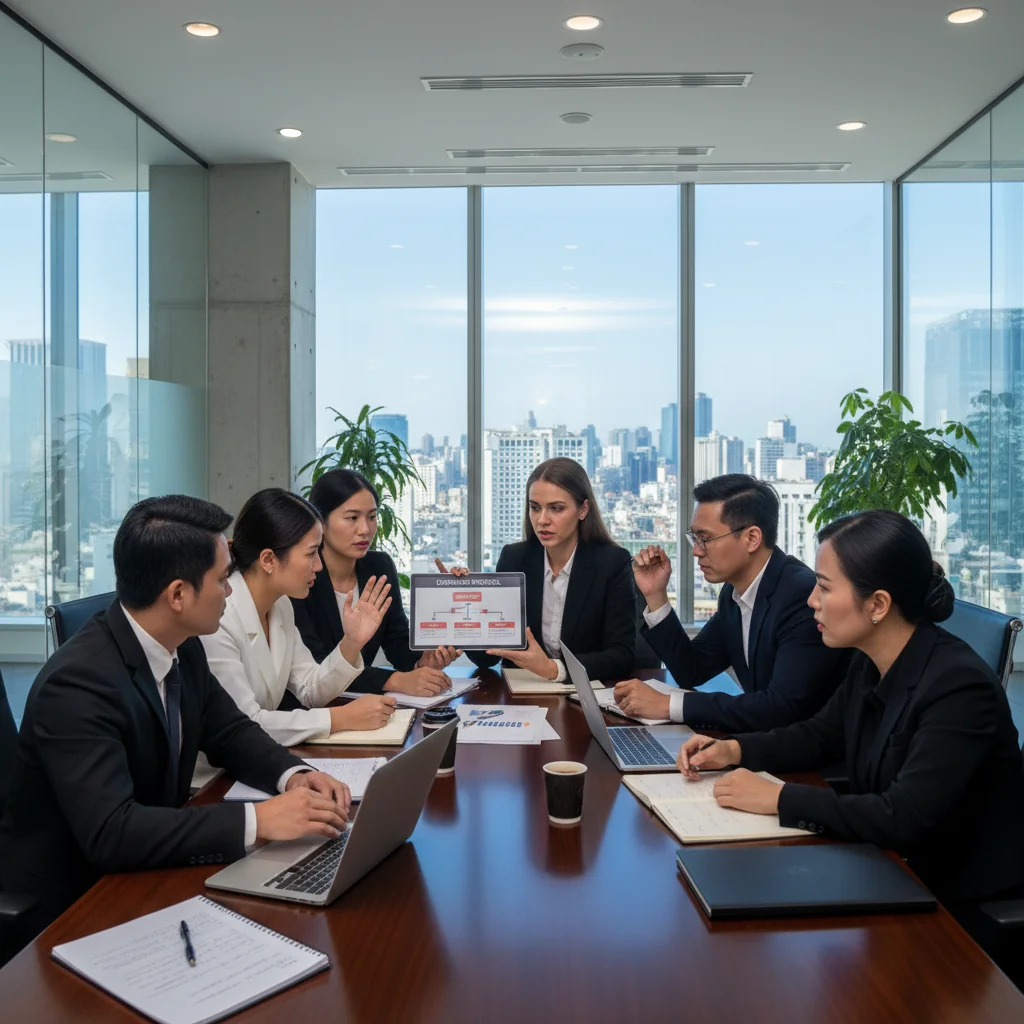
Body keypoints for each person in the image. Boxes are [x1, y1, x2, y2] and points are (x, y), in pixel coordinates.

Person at [0, 495, 353, 935]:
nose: (230, 590)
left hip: (149, 870)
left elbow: (230, 730)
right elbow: (113, 832)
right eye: (223, 578)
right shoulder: (76, 685)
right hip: (73, 905)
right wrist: (259, 820)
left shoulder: (183, 644)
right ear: (179, 595)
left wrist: (293, 775)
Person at [678, 509, 1024, 955]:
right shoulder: (871, 659)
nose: (811, 602)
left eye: (824, 587)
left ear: (877, 604)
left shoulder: (959, 687)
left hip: (954, 906)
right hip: (887, 869)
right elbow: (820, 736)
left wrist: (780, 798)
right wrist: (732, 749)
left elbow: (904, 817)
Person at [614, 474, 846, 731]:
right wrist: (656, 596)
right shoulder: (733, 593)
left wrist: (670, 705)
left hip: (809, 762)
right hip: (764, 742)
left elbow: (781, 708)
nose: (696, 551)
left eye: (706, 539)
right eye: (695, 537)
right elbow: (692, 669)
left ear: (752, 538)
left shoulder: (800, 596)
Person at [200, 488, 399, 747]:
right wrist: (339, 718)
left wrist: (352, 643)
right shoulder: (221, 616)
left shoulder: (281, 604)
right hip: (213, 779)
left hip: (259, 762)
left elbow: (309, 688)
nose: (318, 565)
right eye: (311, 553)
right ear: (269, 559)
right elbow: (246, 722)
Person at [440, 458, 636, 682]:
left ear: (583, 509)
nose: (542, 520)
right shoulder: (514, 558)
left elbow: (622, 656)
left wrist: (555, 669)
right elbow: (488, 658)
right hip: (520, 695)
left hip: (584, 696)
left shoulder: (612, 562)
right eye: (535, 508)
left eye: (556, 508)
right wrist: (466, 603)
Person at [292, 469, 460, 699]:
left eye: (371, 517)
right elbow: (316, 664)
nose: (365, 529)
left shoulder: (379, 566)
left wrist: (423, 660)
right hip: (309, 709)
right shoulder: (301, 576)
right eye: (352, 518)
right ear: (320, 521)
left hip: (362, 704)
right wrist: (396, 680)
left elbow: (397, 642)